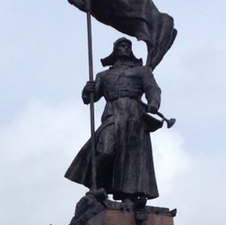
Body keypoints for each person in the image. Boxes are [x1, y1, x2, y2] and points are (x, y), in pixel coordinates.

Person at [65, 37, 166, 215]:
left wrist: (154, 103)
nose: (125, 48)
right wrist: (87, 90)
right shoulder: (103, 75)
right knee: (105, 150)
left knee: (131, 158)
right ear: (115, 50)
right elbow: (91, 98)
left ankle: (129, 195)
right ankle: (98, 187)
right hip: (113, 112)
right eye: (121, 45)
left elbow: (153, 89)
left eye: (127, 45)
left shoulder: (142, 71)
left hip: (135, 115)